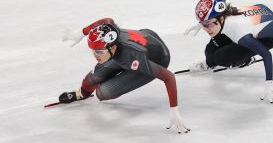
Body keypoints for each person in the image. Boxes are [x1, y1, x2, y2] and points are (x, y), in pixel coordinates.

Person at [60, 18, 189, 133]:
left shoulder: (132, 57)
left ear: (113, 48)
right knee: (92, 79)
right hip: (146, 37)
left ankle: (121, 74)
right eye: (93, 51)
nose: (95, 55)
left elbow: (169, 77)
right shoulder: (110, 31)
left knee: (103, 92)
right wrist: (81, 32)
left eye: (99, 51)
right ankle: (83, 93)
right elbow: (107, 20)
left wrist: (174, 110)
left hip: (157, 58)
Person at [184, 0, 273, 103]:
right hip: (258, 13)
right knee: (210, 50)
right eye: (203, 24)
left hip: (271, 37)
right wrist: (201, 23)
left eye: (208, 24)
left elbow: (267, 55)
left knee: (221, 57)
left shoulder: (242, 35)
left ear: (221, 19)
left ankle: (244, 61)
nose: (206, 29)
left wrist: (269, 85)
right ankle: (211, 63)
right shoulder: (222, 14)